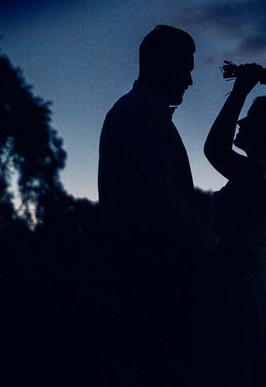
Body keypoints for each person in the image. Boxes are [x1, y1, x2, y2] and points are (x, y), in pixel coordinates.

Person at [95, 25, 218, 386]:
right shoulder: (140, 113)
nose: (191, 82)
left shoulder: (142, 112)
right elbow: (160, 195)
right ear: (162, 64)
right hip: (148, 275)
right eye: (186, 69)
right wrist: (211, 246)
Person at [202, 62, 266, 387]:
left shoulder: (260, 172)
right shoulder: (264, 174)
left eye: (251, 116)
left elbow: (214, 149)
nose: (242, 120)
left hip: (246, 290)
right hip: (249, 285)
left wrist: (240, 90)